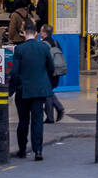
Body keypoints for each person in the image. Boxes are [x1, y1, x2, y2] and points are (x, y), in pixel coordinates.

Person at [10, 20, 55, 161]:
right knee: (37, 120)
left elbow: (15, 72)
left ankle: (22, 149)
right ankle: (38, 150)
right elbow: (51, 67)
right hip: (39, 90)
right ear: (36, 33)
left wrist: (11, 90)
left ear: (23, 33)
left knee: (23, 121)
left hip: (23, 90)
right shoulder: (43, 48)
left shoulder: (19, 49)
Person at [39, 24, 66, 123]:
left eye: (41, 31)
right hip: (57, 71)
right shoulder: (56, 43)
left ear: (45, 33)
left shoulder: (42, 45)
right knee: (49, 92)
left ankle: (51, 116)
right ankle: (58, 109)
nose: (40, 33)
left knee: (47, 93)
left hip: (47, 72)